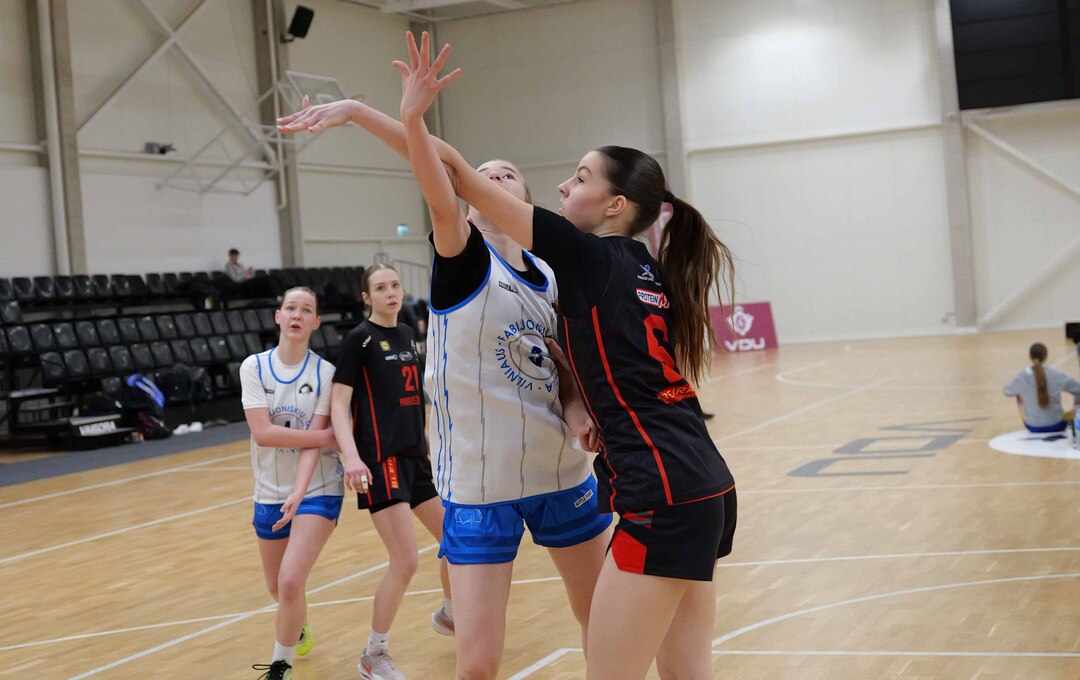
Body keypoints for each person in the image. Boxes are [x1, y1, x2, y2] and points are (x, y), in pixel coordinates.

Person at [376, 33, 736, 680]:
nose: (566, 184)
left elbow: (452, 172)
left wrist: (403, 113)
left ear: (615, 206)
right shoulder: (641, 267)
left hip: (658, 489)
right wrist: (579, 404)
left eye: (581, 177)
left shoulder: (581, 257)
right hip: (703, 480)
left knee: (609, 670)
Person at [278, 50, 612, 680]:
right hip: (481, 485)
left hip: (563, 472)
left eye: (508, 174)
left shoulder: (553, 274)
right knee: (477, 665)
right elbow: (440, 177)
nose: (494, 177)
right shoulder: (463, 255)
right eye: (483, 173)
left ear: (525, 197)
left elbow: (563, 372)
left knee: (604, 628)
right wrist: (375, 115)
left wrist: (577, 414)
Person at [330, 263, 452, 680]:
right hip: (381, 461)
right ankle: (374, 653)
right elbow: (338, 405)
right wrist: (351, 457)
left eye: (395, 285)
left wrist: (429, 445)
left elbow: (410, 400)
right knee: (405, 561)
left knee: (457, 541)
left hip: (415, 458)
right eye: (380, 287)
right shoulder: (359, 340)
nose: (391, 292)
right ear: (367, 297)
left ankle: (451, 613)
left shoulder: (406, 334)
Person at [241, 286, 344, 680]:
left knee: (290, 580)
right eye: (290, 308)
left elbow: (313, 447)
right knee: (277, 586)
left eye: (306, 310)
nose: (297, 315)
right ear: (278, 316)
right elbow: (264, 433)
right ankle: (297, 624)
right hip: (269, 490)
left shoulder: (325, 373)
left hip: (318, 487)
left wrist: (301, 492)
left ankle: (279, 668)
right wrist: (323, 437)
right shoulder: (253, 367)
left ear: (316, 322)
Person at [1003, 342, 1080, 433]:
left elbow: (1006, 391)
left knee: (1018, 395)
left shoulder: (1022, 376)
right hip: (1058, 424)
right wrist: (1076, 402)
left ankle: (1033, 419)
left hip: (1032, 426)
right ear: (1046, 356)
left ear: (1030, 356)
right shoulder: (1057, 374)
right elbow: (1078, 389)